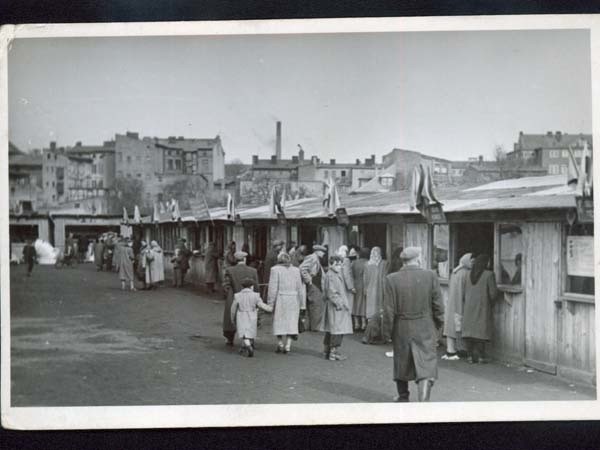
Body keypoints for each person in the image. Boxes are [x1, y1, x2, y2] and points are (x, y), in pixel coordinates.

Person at [386, 247, 444, 402]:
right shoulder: (430, 276)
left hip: (401, 326)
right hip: (425, 325)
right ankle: (423, 402)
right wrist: (438, 325)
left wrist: (387, 332)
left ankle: (403, 396)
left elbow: (388, 310)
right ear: (418, 258)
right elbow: (438, 305)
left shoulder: (392, 279)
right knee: (426, 363)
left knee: (401, 360)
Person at [462, 254, 498, 364]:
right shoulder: (489, 275)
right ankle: (482, 357)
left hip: (469, 307)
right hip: (482, 306)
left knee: (469, 332)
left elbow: (464, 293)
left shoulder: (467, 274)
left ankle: (470, 356)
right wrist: (492, 303)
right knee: (480, 331)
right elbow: (493, 293)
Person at [268, 252, 306, 354]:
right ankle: (288, 345)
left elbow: (272, 288)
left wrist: (270, 303)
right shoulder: (296, 270)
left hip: (281, 299)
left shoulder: (275, 270)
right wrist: (302, 304)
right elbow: (300, 288)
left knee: (279, 322)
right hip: (293, 299)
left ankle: (280, 343)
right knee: (291, 323)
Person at [319, 255, 353, 361]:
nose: (339, 266)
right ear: (332, 264)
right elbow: (331, 291)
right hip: (336, 306)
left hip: (334, 306)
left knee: (332, 329)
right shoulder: (332, 275)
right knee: (337, 330)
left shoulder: (334, 274)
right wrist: (339, 304)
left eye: (340, 264)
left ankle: (327, 351)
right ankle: (333, 353)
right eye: (337, 264)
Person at [222, 251, 260, 346]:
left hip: (234, 296)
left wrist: (228, 294)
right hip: (249, 297)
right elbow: (256, 286)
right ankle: (250, 339)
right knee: (249, 318)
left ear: (235, 260)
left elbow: (226, 286)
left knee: (231, 318)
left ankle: (229, 338)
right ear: (245, 259)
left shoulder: (229, 270)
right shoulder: (253, 271)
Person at [230, 277, 273, 357]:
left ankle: (247, 346)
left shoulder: (237, 296)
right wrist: (270, 309)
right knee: (250, 331)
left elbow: (233, 309)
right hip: (252, 315)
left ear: (242, 287)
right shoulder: (256, 295)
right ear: (251, 286)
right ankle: (247, 345)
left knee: (244, 332)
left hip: (241, 315)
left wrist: (232, 318)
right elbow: (261, 305)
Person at [442, 252, 472, 361]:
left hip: (452, 303)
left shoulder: (456, 271)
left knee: (451, 326)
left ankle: (451, 350)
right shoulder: (467, 273)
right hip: (460, 303)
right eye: (472, 261)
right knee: (459, 326)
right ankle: (457, 350)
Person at [362, 247, 391, 344]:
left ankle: (379, 334)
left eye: (376, 252)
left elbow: (386, 276)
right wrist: (365, 289)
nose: (374, 254)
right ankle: (371, 334)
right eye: (373, 252)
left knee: (380, 311)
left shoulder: (384, 263)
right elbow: (365, 278)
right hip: (372, 289)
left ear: (380, 253)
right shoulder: (367, 264)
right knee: (372, 311)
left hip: (380, 290)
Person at [299, 244, 327, 331]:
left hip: (315, 283)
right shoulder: (312, 258)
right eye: (322, 252)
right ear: (317, 251)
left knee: (315, 305)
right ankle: (316, 326)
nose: (323, 254)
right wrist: (309, 280)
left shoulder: (316, 259)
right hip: (314, 284)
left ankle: (313, 326)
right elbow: (302, 268)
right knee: (316, 304)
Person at [351, 247, 369, 331]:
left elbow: (350, 274)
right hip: (364, 285)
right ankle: (363, 324)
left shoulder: (354, 263)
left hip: (355, 284)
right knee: (363, 303)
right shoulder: (367, 263)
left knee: (355, 303)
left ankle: (356, 324)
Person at [336, 245, 356, 318]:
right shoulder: (346, 260)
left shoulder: (338, 261)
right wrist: (351, 287)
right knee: (348, 305)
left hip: (340, 285)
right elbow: (347, 274)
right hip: (346, 287)